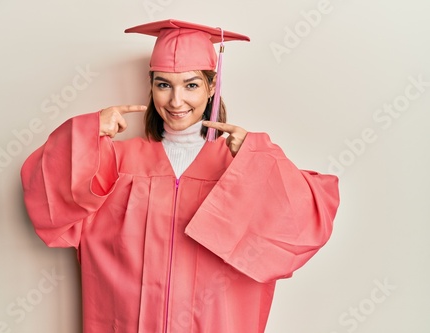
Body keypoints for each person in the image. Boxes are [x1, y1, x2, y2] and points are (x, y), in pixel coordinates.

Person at [21, 19, 340, 333]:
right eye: (163, 84)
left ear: (212, 85)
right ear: (151, 85)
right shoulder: (116, 162)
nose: (176, 101)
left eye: (191, 85)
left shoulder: (238, 165)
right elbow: (46, 193)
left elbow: (305, 222)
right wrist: (86, 133)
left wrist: (259, 159)